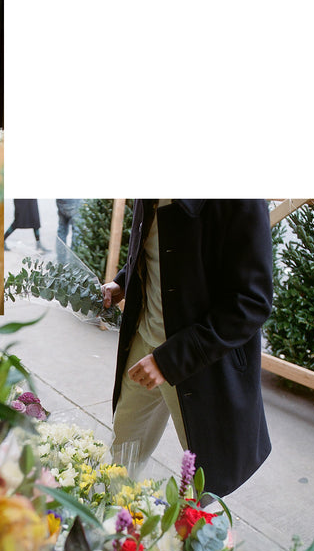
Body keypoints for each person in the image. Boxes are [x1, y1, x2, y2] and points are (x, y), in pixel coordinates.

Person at [101, 200, 273, 497]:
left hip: (199, 365)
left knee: (204, 488)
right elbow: (156, 248)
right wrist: (124, 282)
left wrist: (169, 361)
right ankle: (112, 529)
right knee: (120, 459)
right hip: (143, 344)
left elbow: (251, 302)